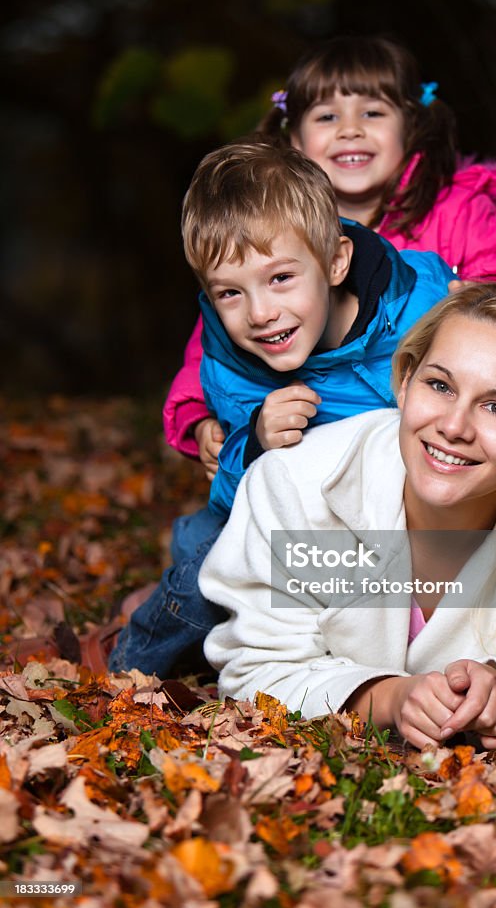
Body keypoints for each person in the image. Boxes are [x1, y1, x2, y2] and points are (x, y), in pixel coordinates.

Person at [199, 284, 496, 749]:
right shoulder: (294, 483)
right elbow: (257, 669)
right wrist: (389, 697)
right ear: (406, 382)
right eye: (440, 385)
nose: (453, 426)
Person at [164, 34, 496, 486]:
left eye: (373, 113)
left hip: (443, 417)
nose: (350, 129)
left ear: (411, 126)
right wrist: (198, 420)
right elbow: (217, 344)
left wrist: (488, 295)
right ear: (294, 137)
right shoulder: (264, 235)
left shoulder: (453, 209)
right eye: (327, 116)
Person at [107, 141, 455, 676]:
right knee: (209, 579)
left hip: (414, 521)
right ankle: (125, 659)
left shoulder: (424, 308)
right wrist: (256, 440)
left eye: (280, 278)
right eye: (229, 293)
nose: (261, 313)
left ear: (337, 261)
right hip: (301, 538)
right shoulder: (234, 365)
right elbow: (231, 498)